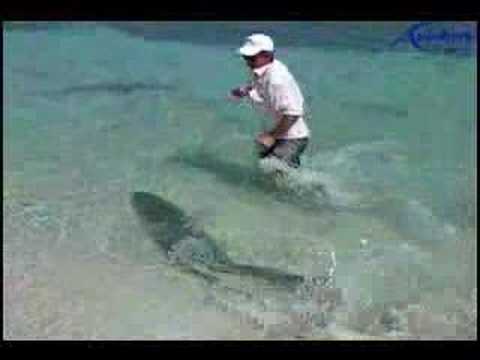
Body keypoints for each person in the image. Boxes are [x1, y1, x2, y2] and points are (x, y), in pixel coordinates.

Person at [229, 33, 310, 169]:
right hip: (276, 132)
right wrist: (245, 90)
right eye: (245, 57)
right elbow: (260, 86)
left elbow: (293, 113)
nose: (247, 62)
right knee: (267, 169)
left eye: (251, 58)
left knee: (274, 172)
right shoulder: (261, 69)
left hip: (290, 137)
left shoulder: (276, 80)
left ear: (267, 55)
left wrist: (271, 136)